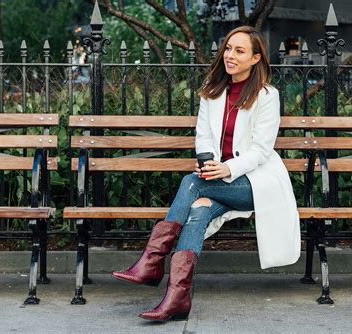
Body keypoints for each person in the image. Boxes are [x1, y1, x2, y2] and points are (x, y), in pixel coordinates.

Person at [112, 26, 300, 322]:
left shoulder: (266, 95)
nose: (230, 55)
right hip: (216, 181)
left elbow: (262, 151)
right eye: (228, 49)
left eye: (239, 51)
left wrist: (226, 168)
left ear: (255, 58)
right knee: (198, 211)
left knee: (191, 183)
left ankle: (152, 260)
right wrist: (210, 163)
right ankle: (177, 298)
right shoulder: (213, 91)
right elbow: (203, 136)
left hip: (255, 183)